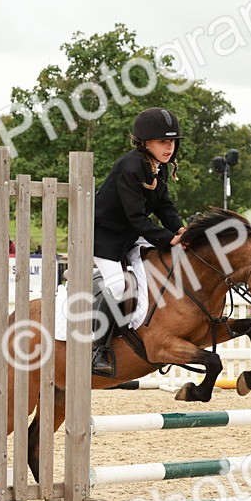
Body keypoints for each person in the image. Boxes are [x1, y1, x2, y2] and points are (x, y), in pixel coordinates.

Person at [91, 106, 186, 376]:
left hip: (130, 234)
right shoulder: (131, 167)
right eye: (163, 142)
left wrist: (181, 231)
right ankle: (98, 349)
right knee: (119, 285)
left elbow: (164, 207)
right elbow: (136, 217)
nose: (169, 148)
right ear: (146, 143)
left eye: (172, 142)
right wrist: (170, 239)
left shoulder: (159, 167)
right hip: (104, 237)